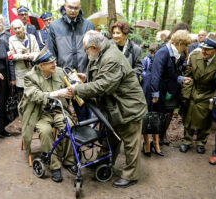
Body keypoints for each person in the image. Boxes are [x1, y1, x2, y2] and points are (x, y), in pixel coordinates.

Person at [68, 30, 148, 188]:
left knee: (131, 143)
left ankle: (131, 175)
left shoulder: (111, 57)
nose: (85, 52)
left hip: (128, 108)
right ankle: (103, 163)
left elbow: (104, 85)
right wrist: (86, 79)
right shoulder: (100, 54)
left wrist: (76, 90)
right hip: (114, 108)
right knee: (109, 137)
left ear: (94, 46)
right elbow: (99, 77)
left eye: (86, 49)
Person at [18, 47, 77, 183]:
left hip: (57, 110)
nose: (54, 64)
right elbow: (35, 95)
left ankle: (69, 161)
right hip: (39, 113)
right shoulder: (30, 77)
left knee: (69, 125)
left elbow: (72, 84)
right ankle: (54, 165)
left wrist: (76, 83)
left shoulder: (60, 72)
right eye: (51, 63)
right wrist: (57, 93)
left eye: (54, 61)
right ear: (41, 66)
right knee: (45, 131)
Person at [146, 30, 192, 155]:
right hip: (153, 88)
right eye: (185, 45)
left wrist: (181, 79)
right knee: (151, 116)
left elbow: (171, 73)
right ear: (179, 43)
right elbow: (156, 74)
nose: (185, 48)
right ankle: (147, 144)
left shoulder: (174, 54)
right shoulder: (163, 52)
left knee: (158, 116)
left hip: (162, 88)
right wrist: (154, 94)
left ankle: (155, 143)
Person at [47, 0, 94, 122]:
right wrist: (56, 73)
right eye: (70, 7)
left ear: (80, 7)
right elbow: (52, 52)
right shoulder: (54, 26)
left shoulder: (88, 25)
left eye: (76, 8)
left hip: (82, 75)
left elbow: (94, 52)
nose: (73, 10)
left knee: (83, 110)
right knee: (61, 112)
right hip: (62, 74)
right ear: (65, 6)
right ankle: (66, 138)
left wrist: (89, 73)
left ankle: (85, 137)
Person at [180, 33, 216, 154]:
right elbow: (187, 76)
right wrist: (186, 94)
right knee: (188, 117)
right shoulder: (194, 56)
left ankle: (201, 142)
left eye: (207, 50)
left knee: (206, 120)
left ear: (215, 50)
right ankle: (186, 141)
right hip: (194, 90)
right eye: (203, 48)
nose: (203, 51)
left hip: (209, 93)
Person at [8, 19, 40, 99]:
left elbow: (38, 53)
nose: (18, 30)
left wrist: (30, 56)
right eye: (15, 29)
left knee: (34, 93)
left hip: (32, 70)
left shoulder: (31, 37)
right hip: (20, 71)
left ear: (23, 28)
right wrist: (22, 56)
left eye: (19, 28)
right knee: (22, 96)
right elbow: (11, 56)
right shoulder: (11, 39)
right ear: (13, 30)